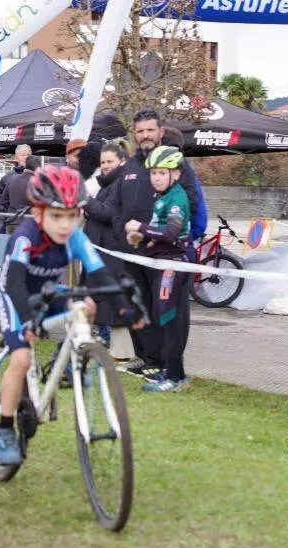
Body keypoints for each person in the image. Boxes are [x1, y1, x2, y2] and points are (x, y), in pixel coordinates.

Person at [0, 165, 140, 465]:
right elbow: (15, 284)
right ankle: (4, 429)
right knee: (21, 358)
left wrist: (124, 307)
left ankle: (69, 360)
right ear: (38, 213)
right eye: (57, 216)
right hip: (16, 296)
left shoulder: (76, 238)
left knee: (87, 306)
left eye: (73, 216)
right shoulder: (25, 237)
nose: (65, 225)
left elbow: (102, 276)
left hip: (50, 291)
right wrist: (29, 320)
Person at [92, 109, 200, 380]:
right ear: (134, 134)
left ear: (160, 131)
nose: (145, 135)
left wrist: (150, 234)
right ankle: (148, 358)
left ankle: (169, 365)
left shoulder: (177, 164)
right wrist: (125, 237)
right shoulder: (128, 167)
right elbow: (115, 207)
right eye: (140, 131)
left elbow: (191, 204)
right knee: (139, 306)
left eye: (150, 130)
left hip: (166, 254)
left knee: (168, 310)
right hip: (132, 253)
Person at [124, 146, 193, 393]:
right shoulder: (162, 196)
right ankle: (174, 371)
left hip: (173, 265)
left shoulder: (177, 198)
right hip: (162, 262)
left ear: (176, 174)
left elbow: (172, 233)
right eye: (153, 173)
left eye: (162, 173)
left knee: (169, 319)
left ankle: (174, 377)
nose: (157, 178)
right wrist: (142, 238)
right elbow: (160, 232)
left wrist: (140, 227)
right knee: (164, 318)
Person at [83, 142, 133, 360]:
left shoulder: (120, 183)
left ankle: (122, 352)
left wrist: (85, 200)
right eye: (102, 162)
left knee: (113, 303)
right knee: (98, 301)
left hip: (111, 250)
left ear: (122, 161)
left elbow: (107, 213)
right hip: (100, 249)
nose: (105, 165)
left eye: (109, 161)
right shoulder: (108, 183)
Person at [0, 143, 32, 210]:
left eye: (28, 155)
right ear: (16, 158)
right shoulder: (8, 177)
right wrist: (6, 211)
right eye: (23, 155)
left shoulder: (37, 176)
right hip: (13, 214)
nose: (26, 157)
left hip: (32, 215)